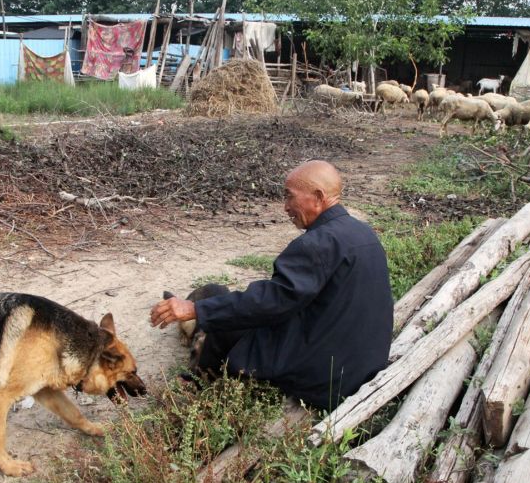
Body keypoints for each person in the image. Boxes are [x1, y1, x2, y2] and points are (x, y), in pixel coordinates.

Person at [149, 160, 393, 410]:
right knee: (227, 303)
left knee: (226, 322)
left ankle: (199, 385)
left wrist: (197, 310)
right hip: (359, 366)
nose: (286, 207)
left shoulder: (317, 244)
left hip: (323, 379)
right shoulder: (363, 233)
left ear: (317, 197)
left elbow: (271, 302)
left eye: (290, 197)